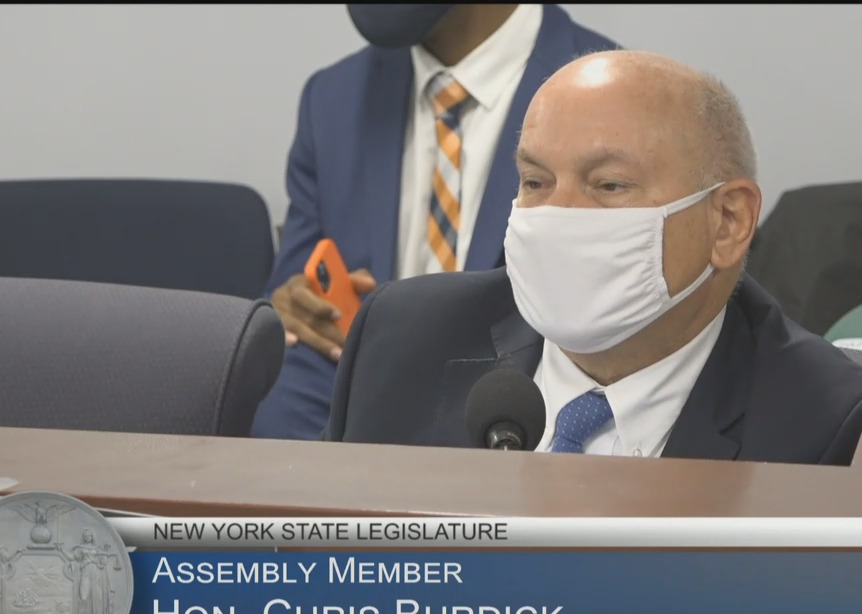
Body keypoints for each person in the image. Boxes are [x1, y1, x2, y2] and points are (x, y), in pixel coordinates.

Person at [322, 50, 862, 466]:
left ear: (729, 221)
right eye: (536, 181)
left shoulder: (831, 425)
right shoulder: (401, 339)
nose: (559, 215)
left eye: (609, 185)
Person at [251, 4, 619, 440]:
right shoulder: (333, 99)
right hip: (354, 429)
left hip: (514, 423)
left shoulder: (614, 97)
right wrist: (294, 308)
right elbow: (292, 306)